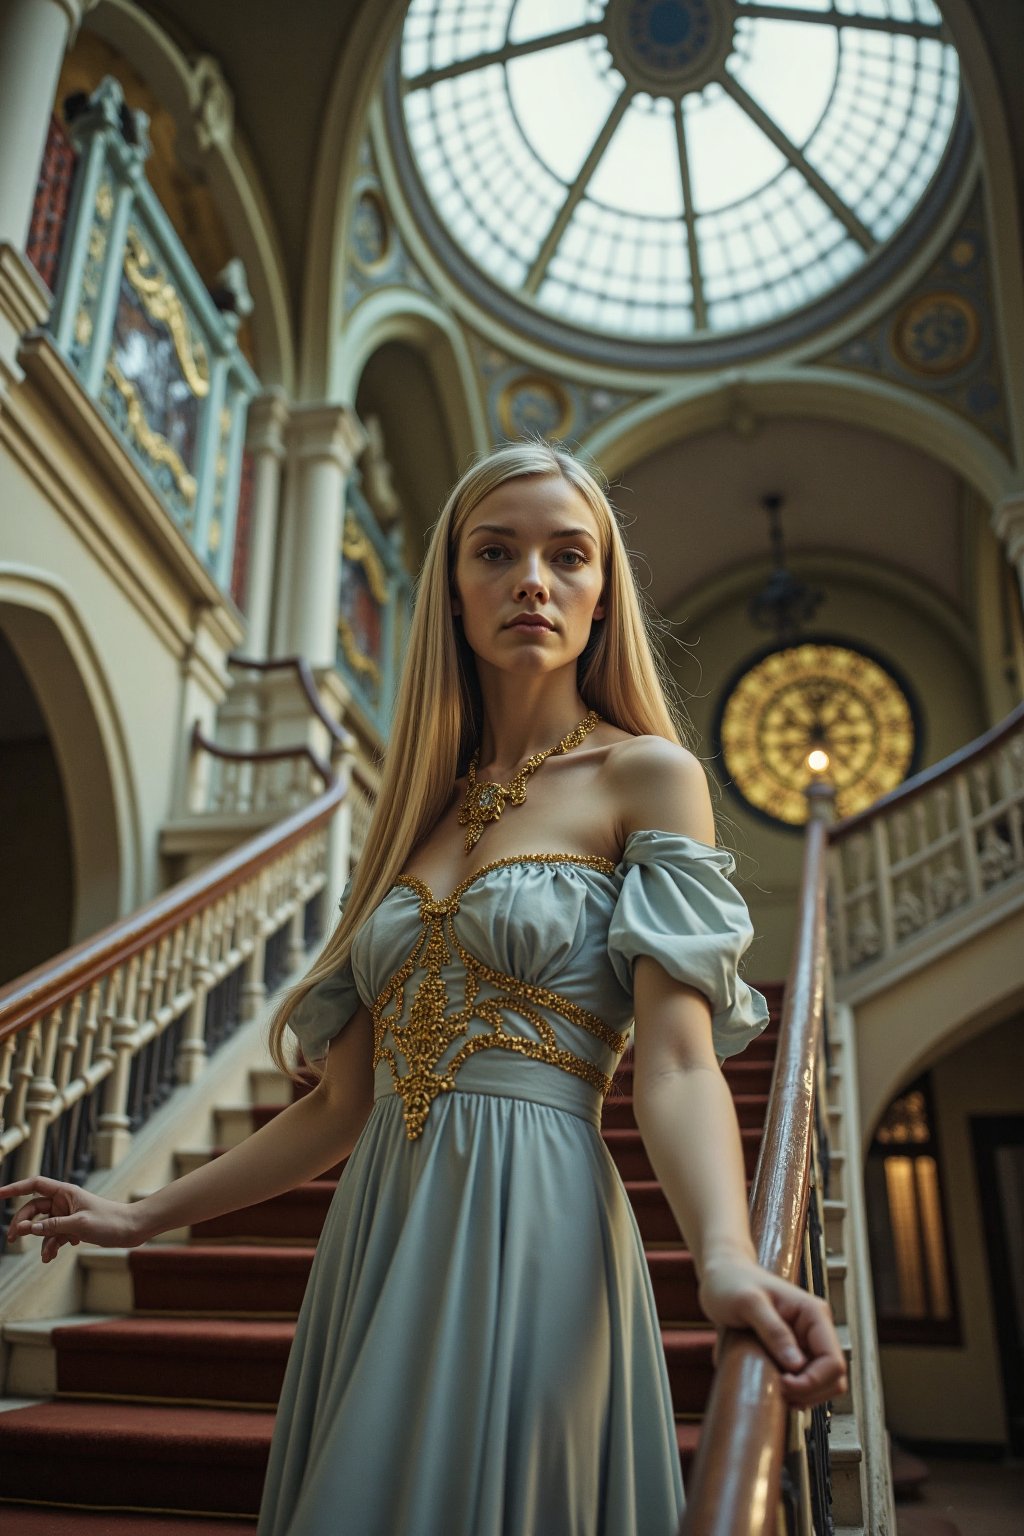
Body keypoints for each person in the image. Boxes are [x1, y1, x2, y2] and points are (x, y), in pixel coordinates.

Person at [1, 442, 847, 1535]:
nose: (532, 579)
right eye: (495, 552)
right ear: (452, 590)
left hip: (538, 1213)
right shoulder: (411, 816)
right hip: (379, 1224)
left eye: (567, 555)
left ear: (601, 595)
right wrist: (140, 1212)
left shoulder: (647, 775)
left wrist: (724, 1260)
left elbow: (678, 1060)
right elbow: (339, 1105)